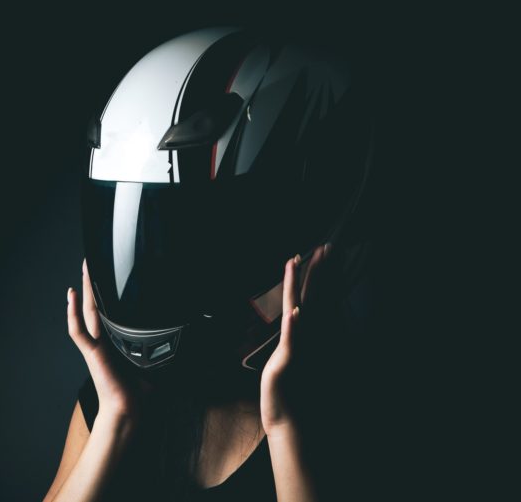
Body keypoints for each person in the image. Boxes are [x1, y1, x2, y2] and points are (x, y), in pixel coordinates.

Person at [44, 27, 375, 501]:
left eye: (203, 237)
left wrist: (283, 425)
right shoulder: (117, 393)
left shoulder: (352, 410)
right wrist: (115, 417)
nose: (157, 270)